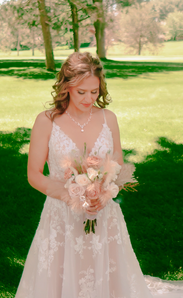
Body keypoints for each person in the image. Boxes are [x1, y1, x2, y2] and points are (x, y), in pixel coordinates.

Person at [15, 52, 183, 298]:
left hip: (104, 214)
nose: (89, 98)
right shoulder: (46, 121)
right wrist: (73, 197)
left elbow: (117, 166)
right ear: (67, 86)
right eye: (81, 91)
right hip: (62, 217)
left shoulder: (109, 119)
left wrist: (104, 194)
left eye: (94, 91)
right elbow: (34, 175)